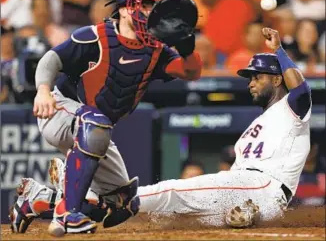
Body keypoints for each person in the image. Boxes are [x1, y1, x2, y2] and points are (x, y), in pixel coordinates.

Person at [10, 27, 311, 230]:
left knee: (167, 194)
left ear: (277, 79)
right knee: (155, 213)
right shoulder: (253, 128)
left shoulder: (293, 108)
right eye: (250, 77)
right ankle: (44, 201)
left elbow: (301, 90)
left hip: (266, 188)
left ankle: (68, 193)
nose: (251, 82)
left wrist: (280, 50)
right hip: (243, 191)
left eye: (257, 76)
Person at [9, 0, 202, 236]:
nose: (151, 10)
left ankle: (37, 199)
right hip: (60, 110)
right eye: (145, 3)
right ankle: (68, 214)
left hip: (95, 128)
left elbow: (190, 73)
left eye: (154, 4)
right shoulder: (95, 36)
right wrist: (43, 91)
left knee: (120, 203)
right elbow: (51, 59)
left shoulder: (157, 51)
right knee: (95, 124)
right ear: (124, 9)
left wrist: (187, 46)